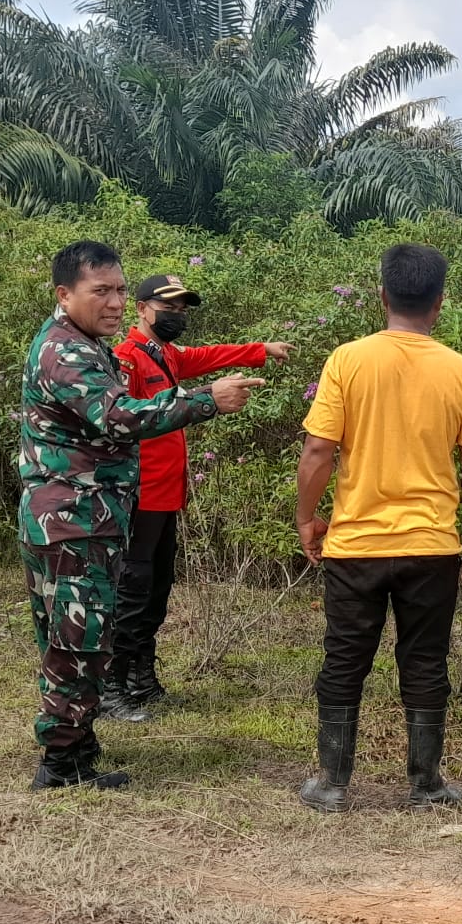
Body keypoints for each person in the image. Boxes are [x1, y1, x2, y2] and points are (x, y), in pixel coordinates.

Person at [18, 240, 263, 790]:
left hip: (82, 517)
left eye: (120, 290)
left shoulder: (86, 344)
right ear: (65, 293)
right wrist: (206, 400)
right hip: (72, 521)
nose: (114, 302)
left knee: (77, 638)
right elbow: (119, 417)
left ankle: (77, 750)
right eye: (100, 291)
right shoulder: (66, 351)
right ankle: (61, 765)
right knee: (76, 643)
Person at [295, 242, 462, 812]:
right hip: (431, 546)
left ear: (382, 295)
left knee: (344, 661)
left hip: (355, 545)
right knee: (426, 662)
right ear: (439, 303)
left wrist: (307, 518)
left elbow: (318, 452)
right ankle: (426, 784)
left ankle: (332, 784)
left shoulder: (347, 361)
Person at [103, 274, 293, 717]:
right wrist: (204, 395)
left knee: (156, 589)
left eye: (182, 309)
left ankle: (141, 676)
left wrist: (260, 350)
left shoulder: (165, 355)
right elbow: (126, 421)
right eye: (168, 307)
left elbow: (207, 355)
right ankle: (112, 685)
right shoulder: (126, 358)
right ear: (141, 309)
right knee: (132, 591)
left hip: (168, 495)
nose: (177, 316)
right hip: (139, 495)